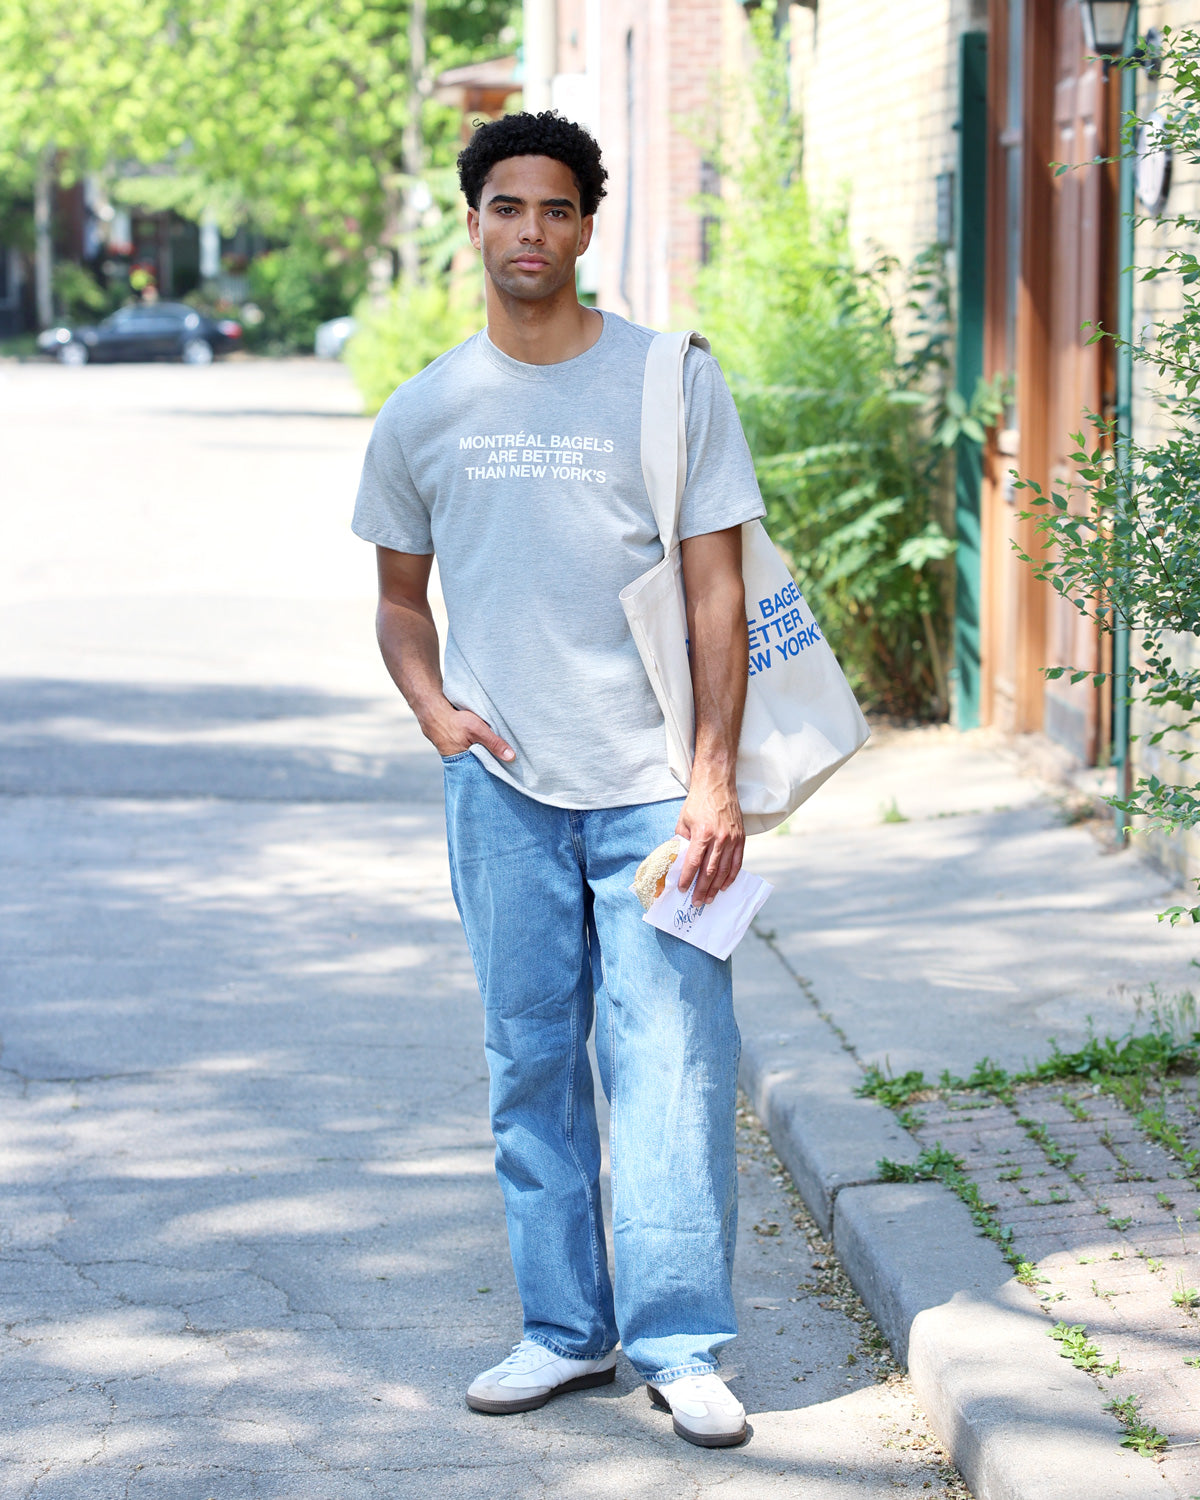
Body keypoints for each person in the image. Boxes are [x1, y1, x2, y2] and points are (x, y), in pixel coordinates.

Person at [352, 110, 766, 1449]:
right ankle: (563, 1332)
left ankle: (681, 1342)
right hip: (506, 793)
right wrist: (432, 710)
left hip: (654, 791)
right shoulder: (425, 412)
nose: (529, 231)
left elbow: (719, 589)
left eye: (554, 209)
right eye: (505, 208)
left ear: (588, 226)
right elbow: (400, 603)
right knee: (530, 1064)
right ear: (472, 224)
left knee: (673, 1067)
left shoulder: (669, 382)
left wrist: (714, 777)